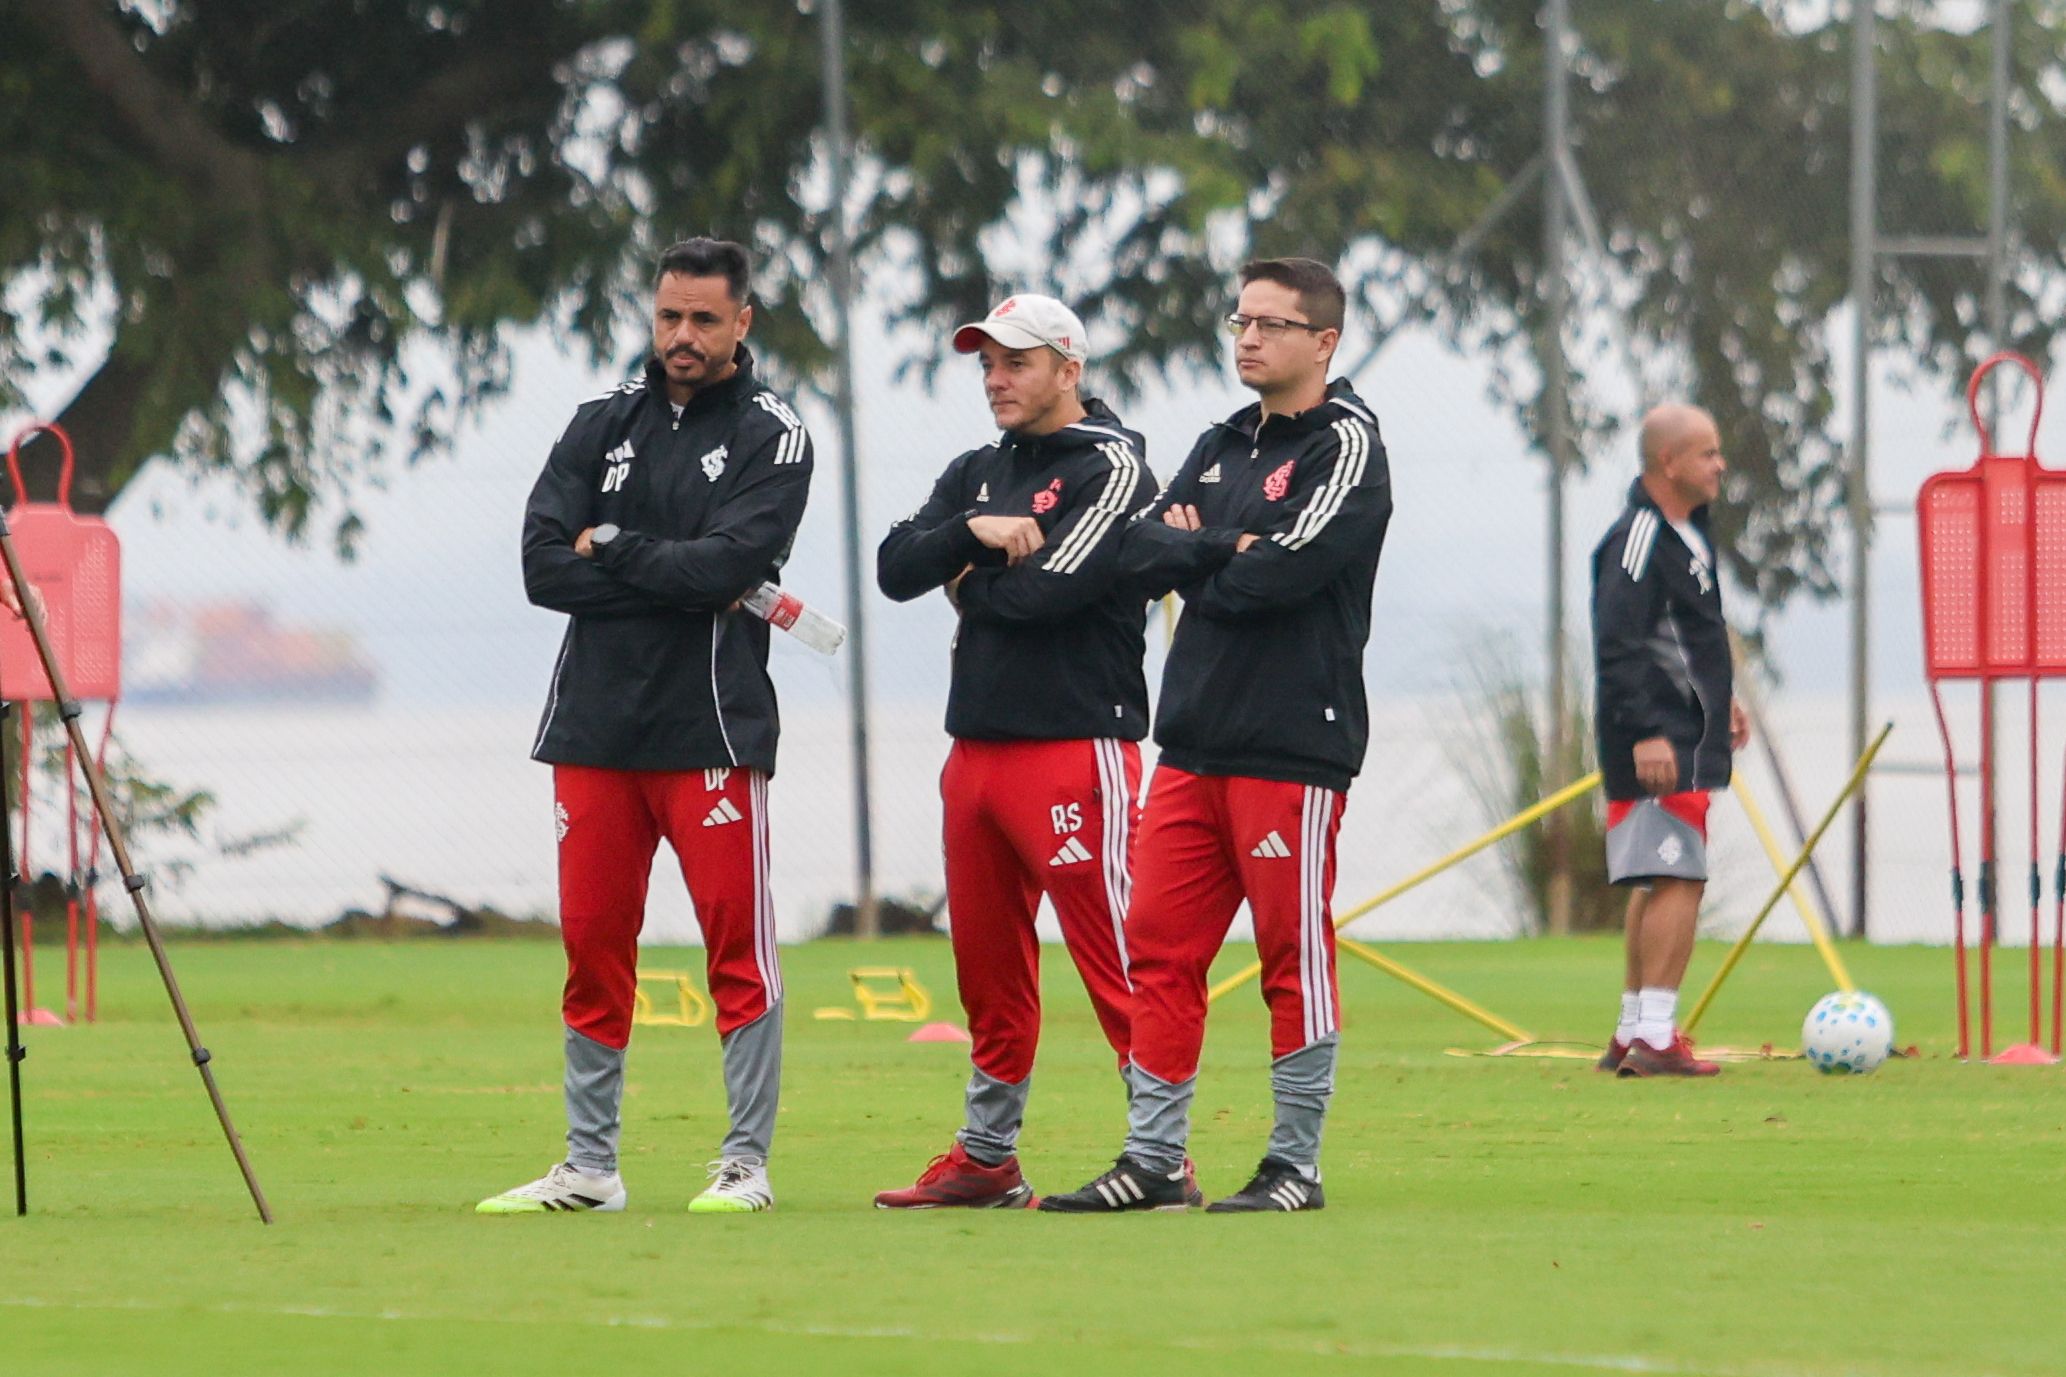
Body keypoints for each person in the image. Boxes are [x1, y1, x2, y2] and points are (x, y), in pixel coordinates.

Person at [1041, 257, 1392, 1214]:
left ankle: (1295, 1165)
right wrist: (1217, 546)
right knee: (1158, 947)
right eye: (1241, 321)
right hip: (1192, 740)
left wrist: (1204, 556)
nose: (1250, 338)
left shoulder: (1347, 444)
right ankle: (1155, 1160)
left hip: (1293, 743)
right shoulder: (1221, 440)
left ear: (1324, 342)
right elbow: (1133, 550)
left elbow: (1283, 574)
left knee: (1292, 953)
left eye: (1272, 324)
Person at [479, 238, 813, 1215]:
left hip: (710, 729)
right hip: (592, 730)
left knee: (736, 950)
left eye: (704, 319)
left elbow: (728, 567)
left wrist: (616, 545)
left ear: (742, 322)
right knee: (593, 946)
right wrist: (675, 573)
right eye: (670, 316)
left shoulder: (773, 434)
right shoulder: (599, 422)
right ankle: (589, 1168)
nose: (683, 336)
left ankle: (744, 1164)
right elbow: (543, 568)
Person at [872, 293, 1179, 1208]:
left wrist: (963, 582)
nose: (997, 380)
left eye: (1017, 362)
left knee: (1118, 956)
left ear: (1068, 369)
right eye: (987, 364)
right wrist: (968, 538)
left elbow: (1050, 593)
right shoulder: (977, 469)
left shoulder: (1114, 464)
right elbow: (894, 566)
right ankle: (987, 1156)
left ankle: (1162, 1154)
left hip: (1075, 746)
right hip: (975, 751)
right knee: (987, 970)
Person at [1590, 402, 1748, 1078]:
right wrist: (1647, 732)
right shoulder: (1638, 538)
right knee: (1680, 876)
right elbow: (1618, 644)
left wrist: (1723, 700)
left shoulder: (1689, 534)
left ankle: (1633, 1028)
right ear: (1668, 462)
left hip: (1688, 733)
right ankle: (1656, 1035)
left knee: (1659, 876)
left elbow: (1690, 638)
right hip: (1659, 741)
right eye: (1707, 453)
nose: (1720, 465)